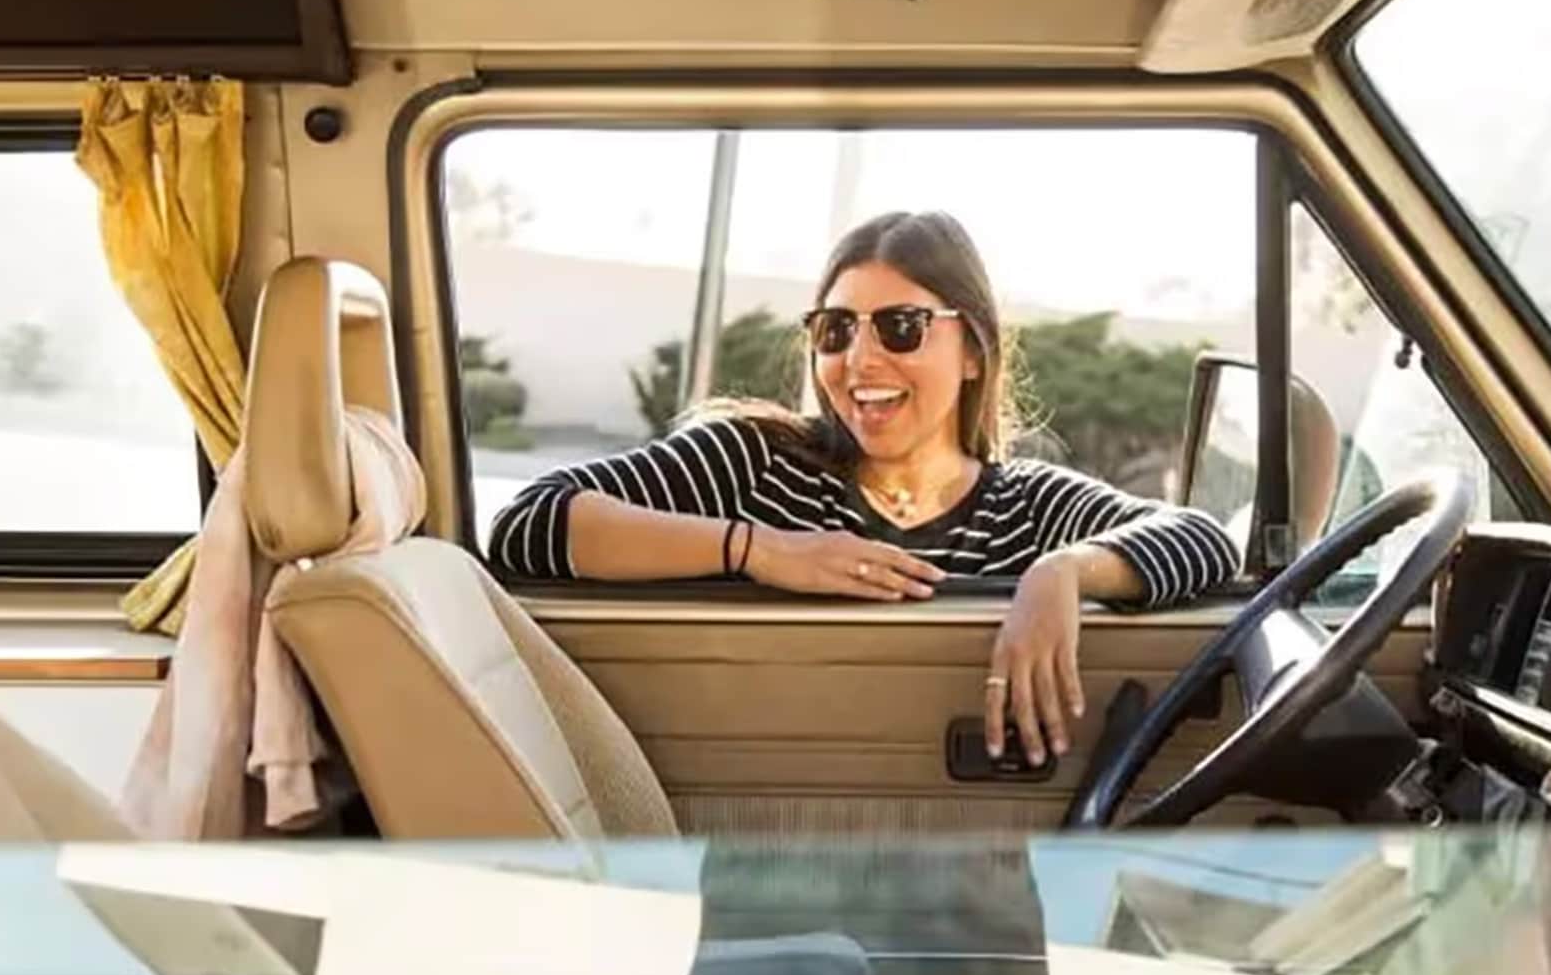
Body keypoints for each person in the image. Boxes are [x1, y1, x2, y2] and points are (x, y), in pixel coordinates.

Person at [488, 210, 1239, 765]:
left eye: (902, 327)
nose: (859, 359)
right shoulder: (752, 461)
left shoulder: (1031, 507)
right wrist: (758, 549)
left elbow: (1202, 541)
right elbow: (529, 523)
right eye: (836, 330)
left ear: (974, 350)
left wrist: (1061, 574)